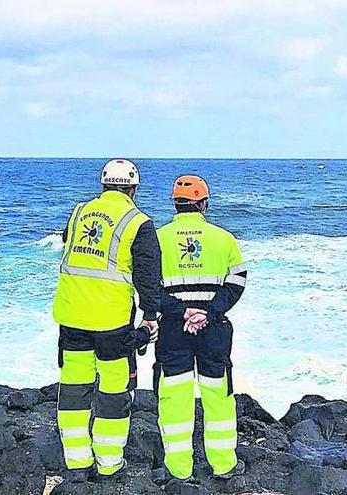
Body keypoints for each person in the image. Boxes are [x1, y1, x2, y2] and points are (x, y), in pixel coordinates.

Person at [52, 159, 161, 481]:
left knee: (74, 387)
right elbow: (147, 274)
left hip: (71, 314)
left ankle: (76, 464)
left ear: (103, 185)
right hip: (112, 321)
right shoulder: (138, 222)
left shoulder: (79, 211)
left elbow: (68, 242)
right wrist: (151, 316)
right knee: (113, 392)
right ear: (133, 189)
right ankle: (109, 464)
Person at [154, 175, 248, 483]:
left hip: (172, 328)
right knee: (218, 393)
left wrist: (182, 312)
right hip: (214, 329)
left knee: (174, 395)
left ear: (175, 205)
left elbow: (150, 287)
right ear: (204, 204)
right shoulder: (224, 238)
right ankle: (223, 464)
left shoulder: (158, 238)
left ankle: (178, 469)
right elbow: (236, 281)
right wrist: (208, 312)